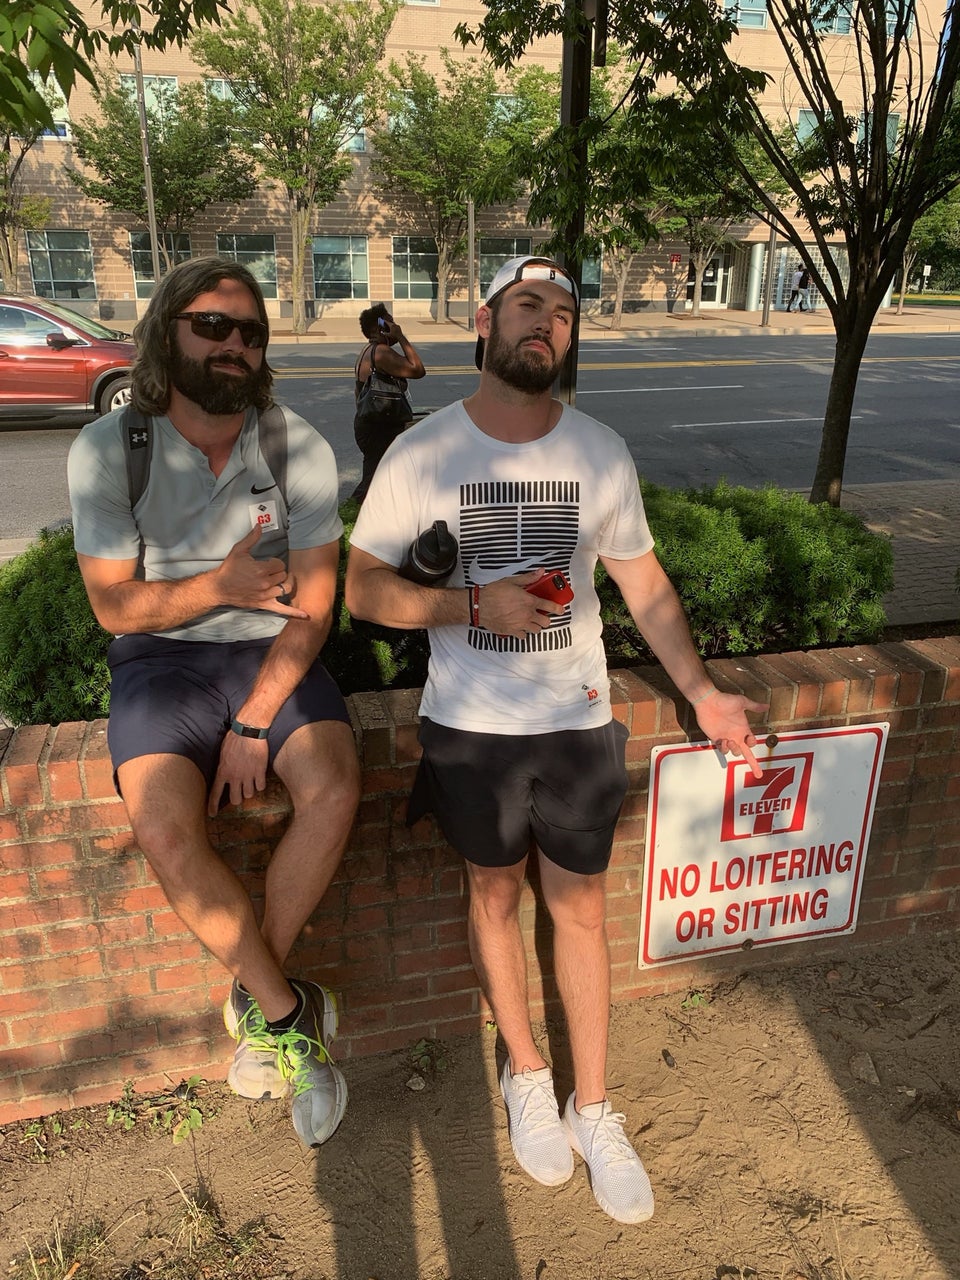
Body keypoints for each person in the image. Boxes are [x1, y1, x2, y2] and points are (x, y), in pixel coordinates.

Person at [344, 255, 767, 1224]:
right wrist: (469, 604)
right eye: (527, 305)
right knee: (494, 896)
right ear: (483, 321)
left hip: (575, 723)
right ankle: (528, 1073)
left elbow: (644, 583)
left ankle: (595, 1105)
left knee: (578, 911)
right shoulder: (423, 453)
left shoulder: (599, 452)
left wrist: (704, 693)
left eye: (564, 314)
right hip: (471, 727)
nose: (546, 323)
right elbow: (361, 589)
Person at [67, 256, 361, 1149]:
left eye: (250, 331)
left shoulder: (295, 446)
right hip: (160, 659)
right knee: (162, 829)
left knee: (334, 786)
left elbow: (316, 607)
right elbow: (114, 607)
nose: (234, 343)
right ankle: (289, 1016)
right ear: (166, 331)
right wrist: (218, 586)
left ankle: (253, 996)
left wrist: (255, 718)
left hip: (270, 652)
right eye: (212, 325)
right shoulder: (111, 449)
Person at [352, 302, 426, 501]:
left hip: (368, 424)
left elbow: (357, 392)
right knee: (372, 483)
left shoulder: (367, 350)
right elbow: (418, 369)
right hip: (378, 428)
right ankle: (353, 511)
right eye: (390, 323)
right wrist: (400, 336)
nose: (395, 326)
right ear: (379, 328)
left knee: (380, 476)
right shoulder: (381, 353)